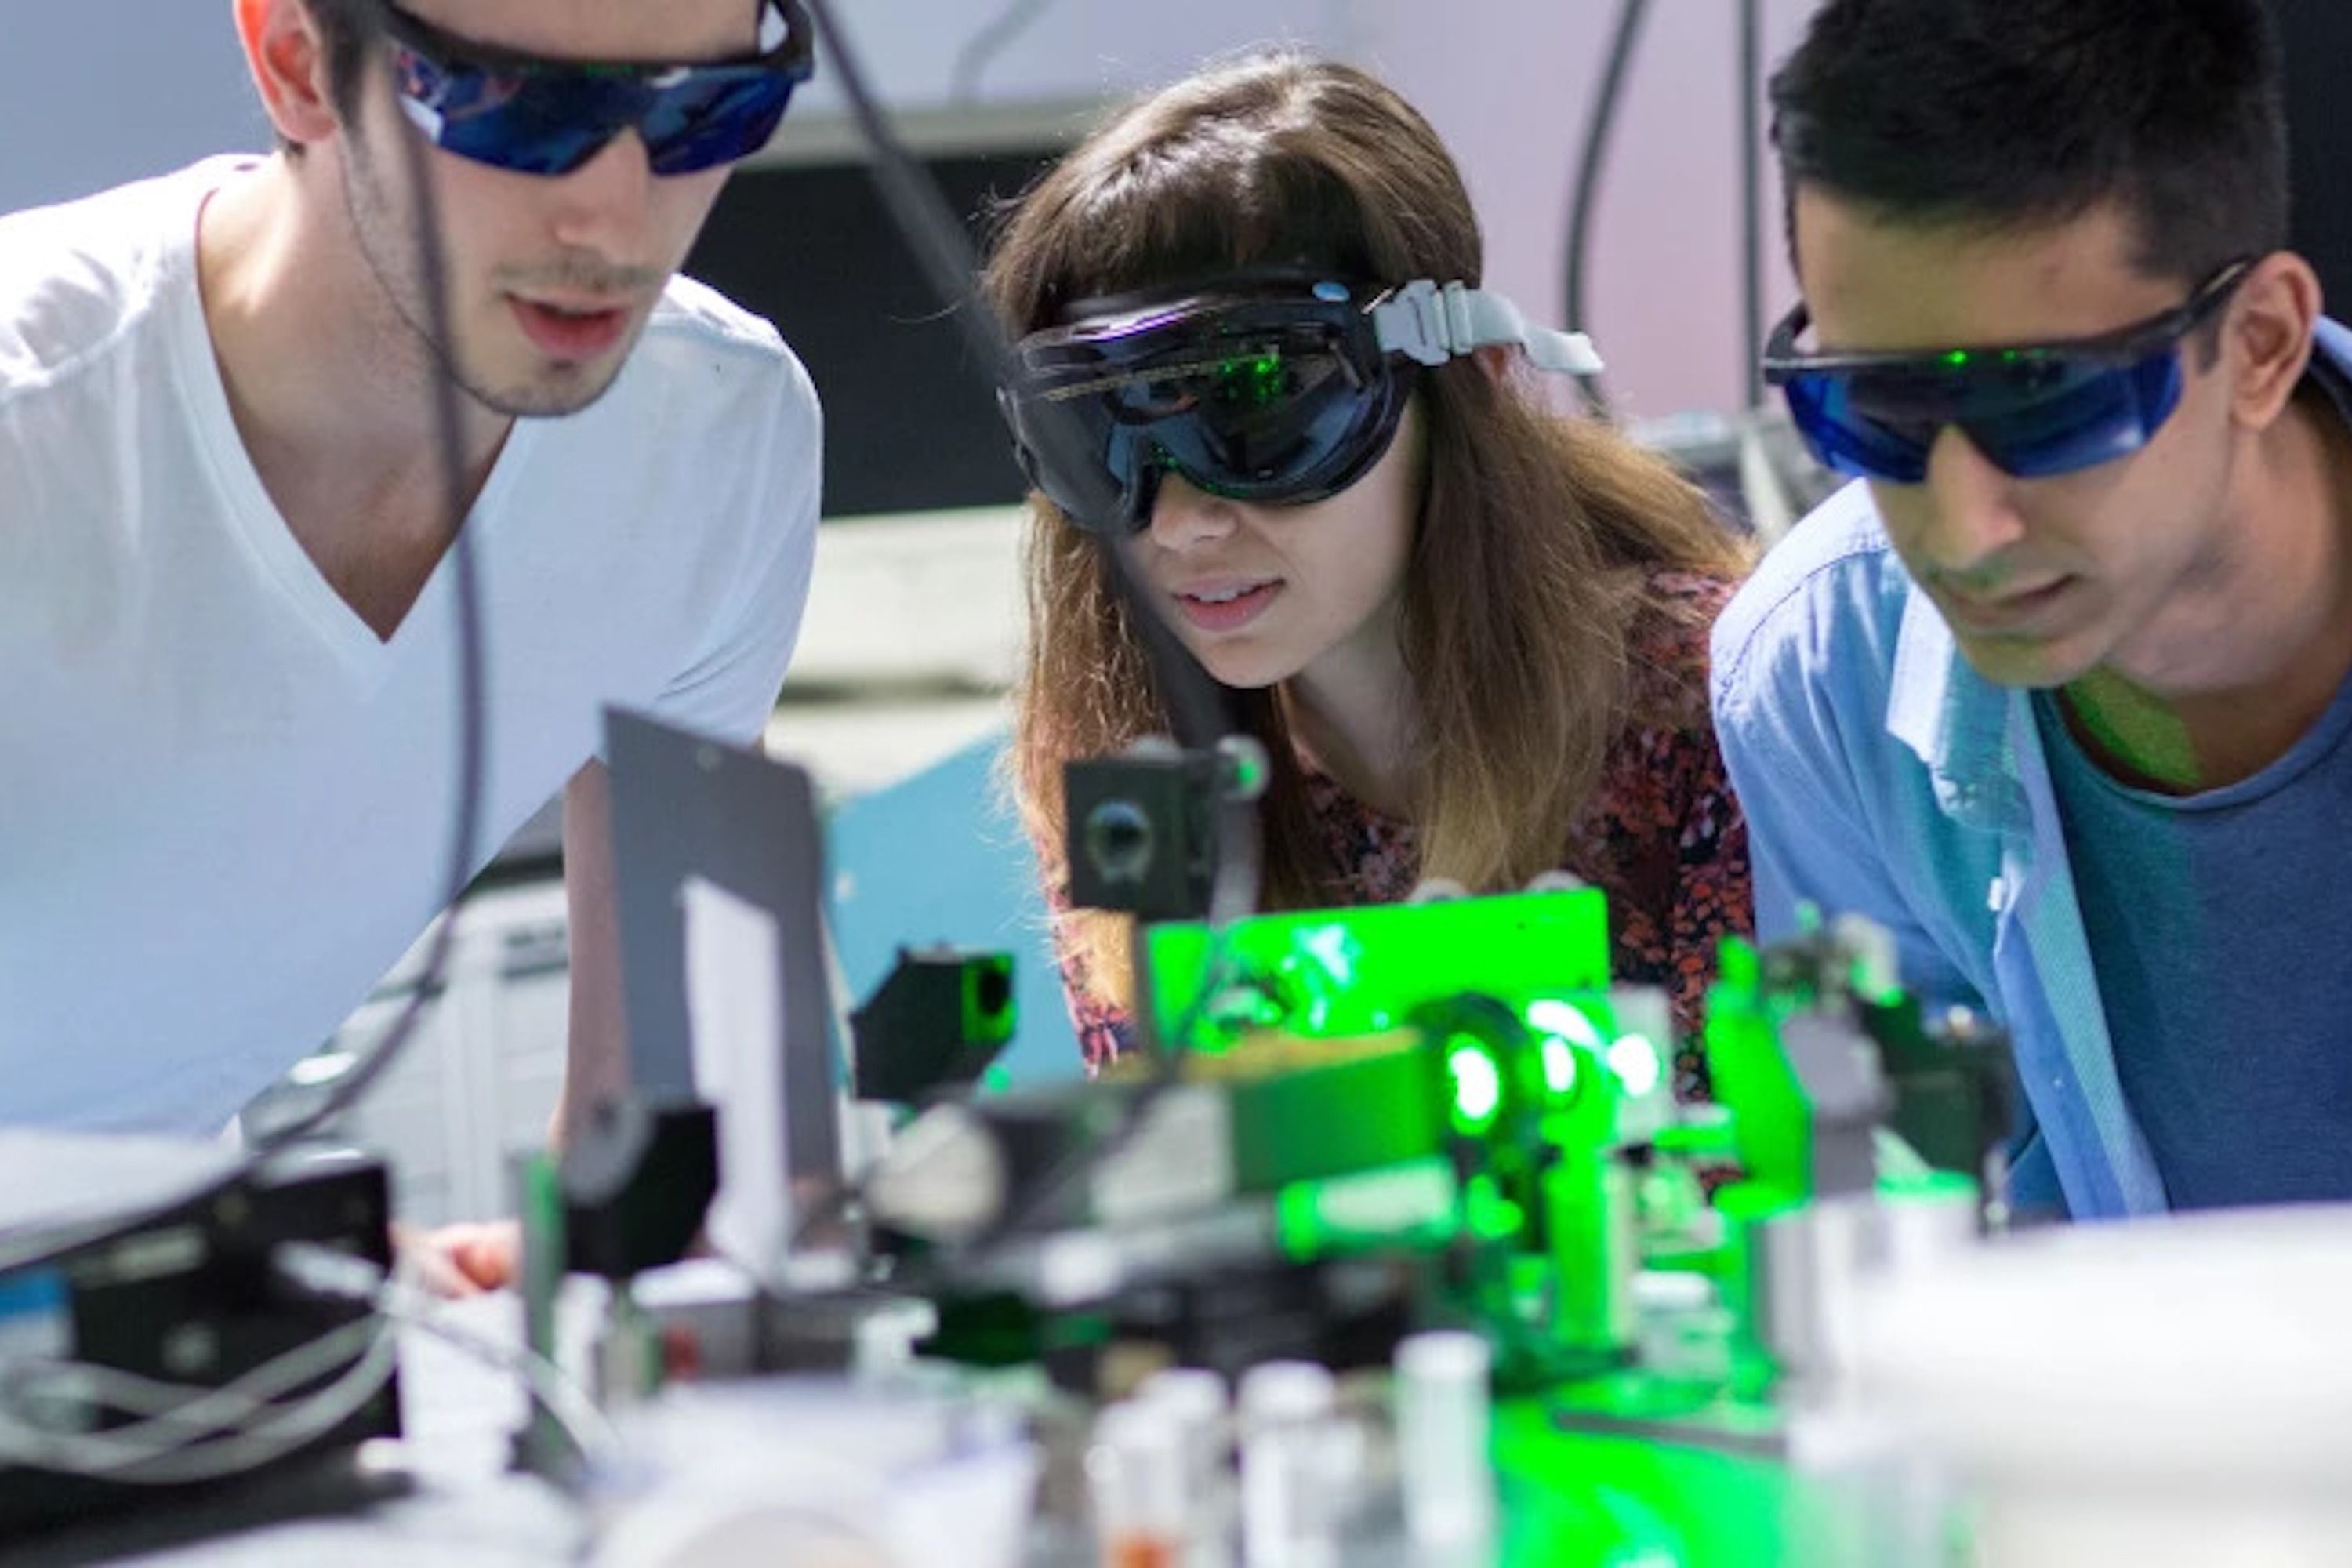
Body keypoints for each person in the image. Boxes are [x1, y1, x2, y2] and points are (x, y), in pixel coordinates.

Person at [0, 0, 822, 1265]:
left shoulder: (713, 435)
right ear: (297, 66)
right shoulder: (32, 430)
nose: (613, 217)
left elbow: (662, 1120)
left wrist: (555, 1294)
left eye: (704, 111)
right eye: (522, 109)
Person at [982, 54, 1755, 1098]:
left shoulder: (1721, 711)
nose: (1180, 523)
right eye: (1096, 434)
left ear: (1463, 381)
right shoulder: (1126, 754)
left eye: (1258, 404)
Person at [1713, 0, 2348, 1219]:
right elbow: (1921, 1230)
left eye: (2047, 402)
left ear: (2259, 344)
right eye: (1876, 410)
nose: (1964, 530)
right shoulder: (1819, 672)